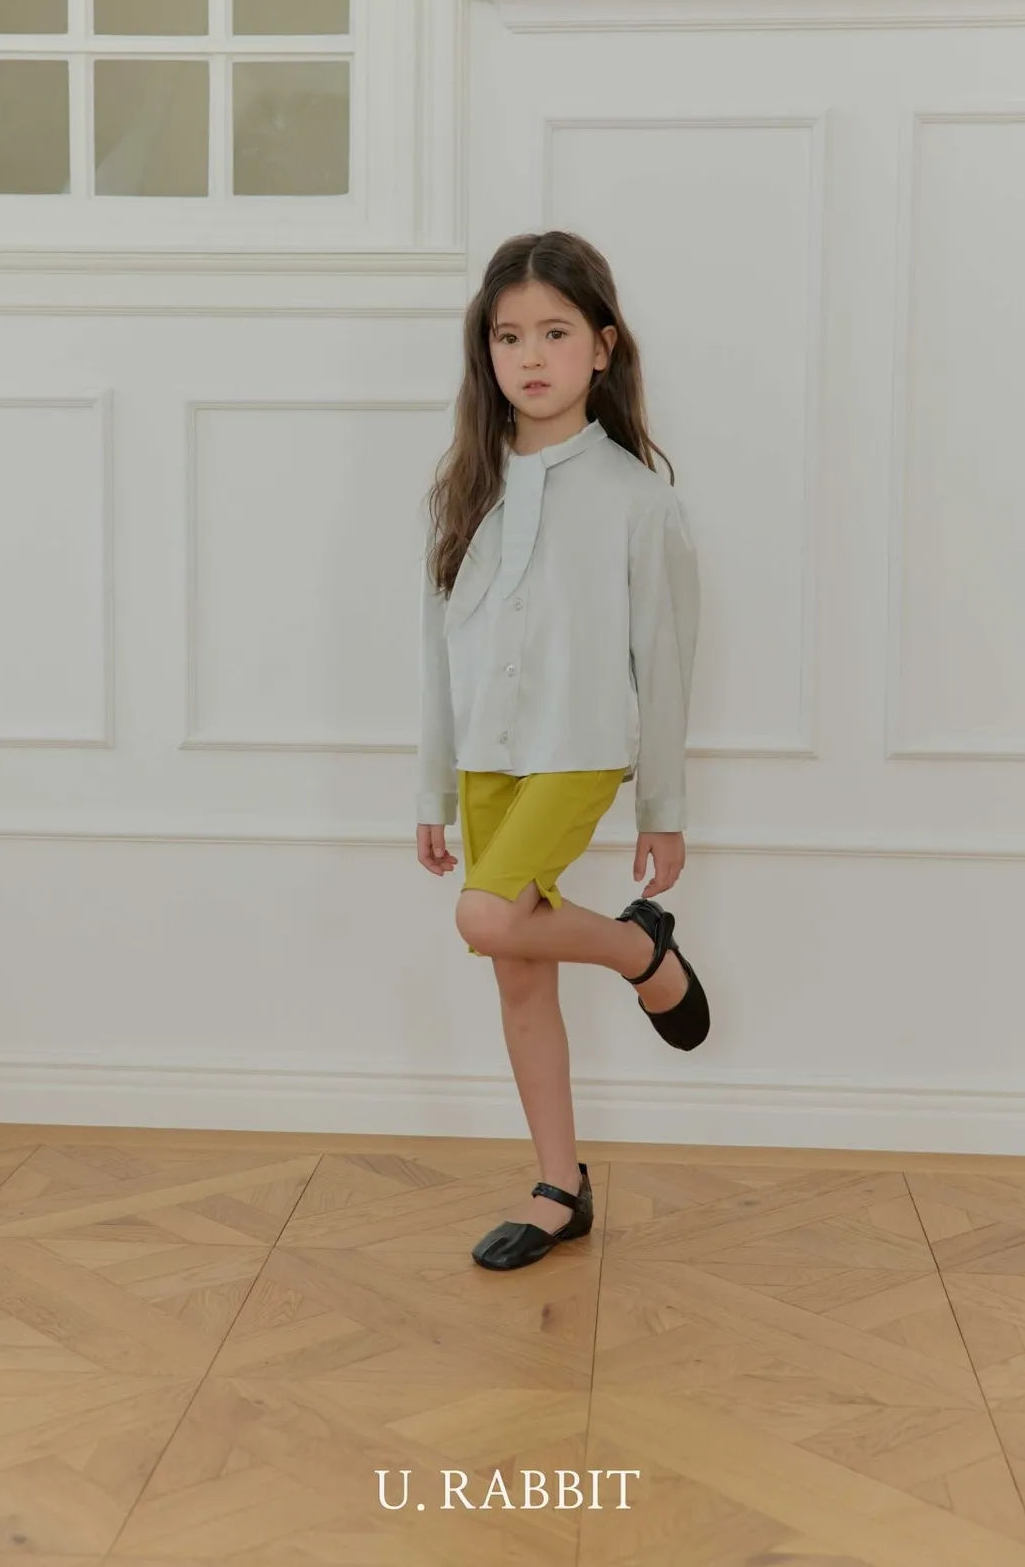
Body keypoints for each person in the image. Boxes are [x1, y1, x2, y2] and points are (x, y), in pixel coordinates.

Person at [416, 229, 708, 1272]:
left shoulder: (639, 501)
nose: (530, 356)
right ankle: (558, 1188)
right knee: (517, 971)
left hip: (576, 751)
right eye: (509, 336)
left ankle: (643, 951)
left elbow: (663, 665)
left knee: (489, 917)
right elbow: (439, 653)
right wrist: (433, 789)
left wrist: (663, 809)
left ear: (602, 346)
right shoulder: (467, 489)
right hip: (485, 759)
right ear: (485, 353)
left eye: (555, 332)